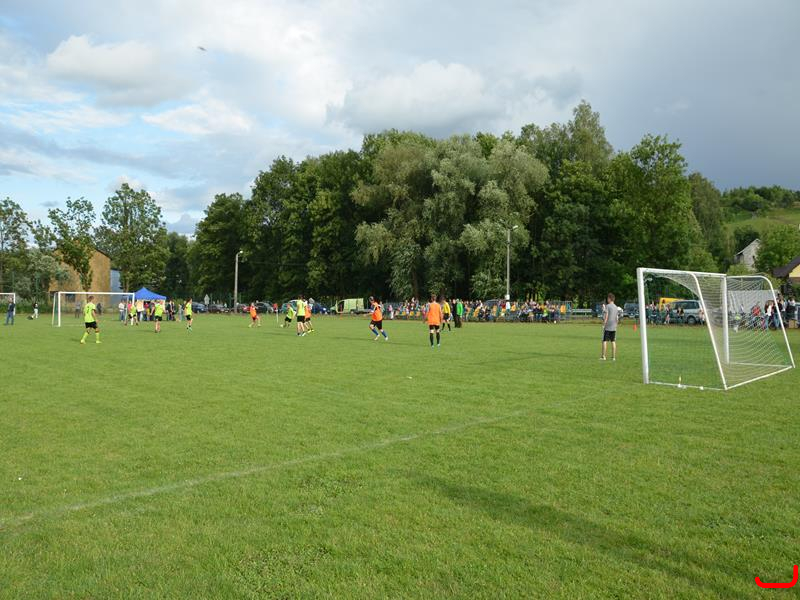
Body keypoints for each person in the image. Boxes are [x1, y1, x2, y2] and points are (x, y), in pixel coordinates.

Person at [600, 292, 619, 361]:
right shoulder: (616, 307)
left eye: (607, 298)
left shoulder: (608, 306)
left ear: (609, 299)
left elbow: (606, 316)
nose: (607, 299)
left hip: (608, 326)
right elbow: (617, 318)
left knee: (604, 341)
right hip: (614, 326)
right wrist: (616, 325)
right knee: (613, 341)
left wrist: (604, 324)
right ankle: (613, 357)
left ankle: (603, 356)